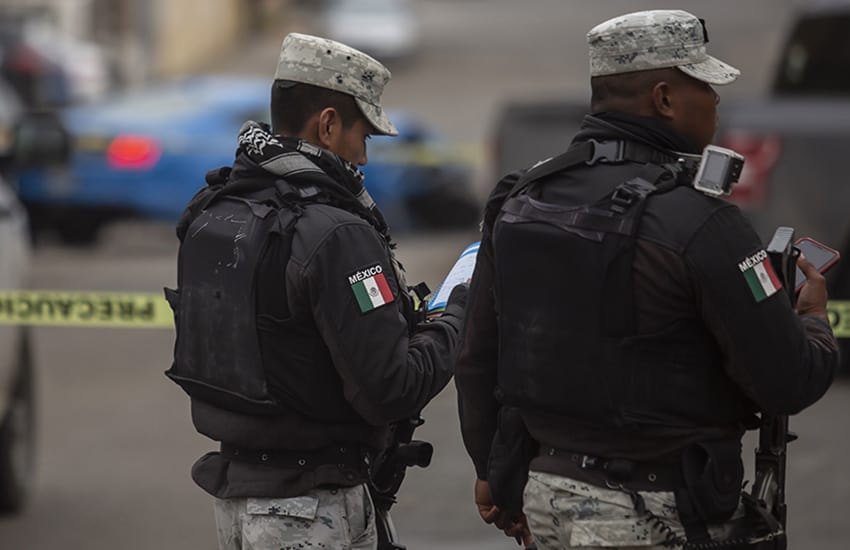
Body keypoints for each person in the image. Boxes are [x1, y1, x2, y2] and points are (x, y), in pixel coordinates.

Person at [455, 9, 839, 549]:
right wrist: (814, 322)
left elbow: (477, 357)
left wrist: (494, 474)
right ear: (664, 98)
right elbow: (788, 380)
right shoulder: (700, 221)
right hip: (656, 511)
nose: (717, 100)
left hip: (545, 499)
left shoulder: (522, 198)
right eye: (704, 85)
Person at [165, 32, 465, 550]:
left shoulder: (214, 209)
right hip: (310, 511)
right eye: (363, 136)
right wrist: (456, 320)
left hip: (238, 501)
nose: (365, 158)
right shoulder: (336, 232)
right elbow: (390, 389)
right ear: (327, 124)